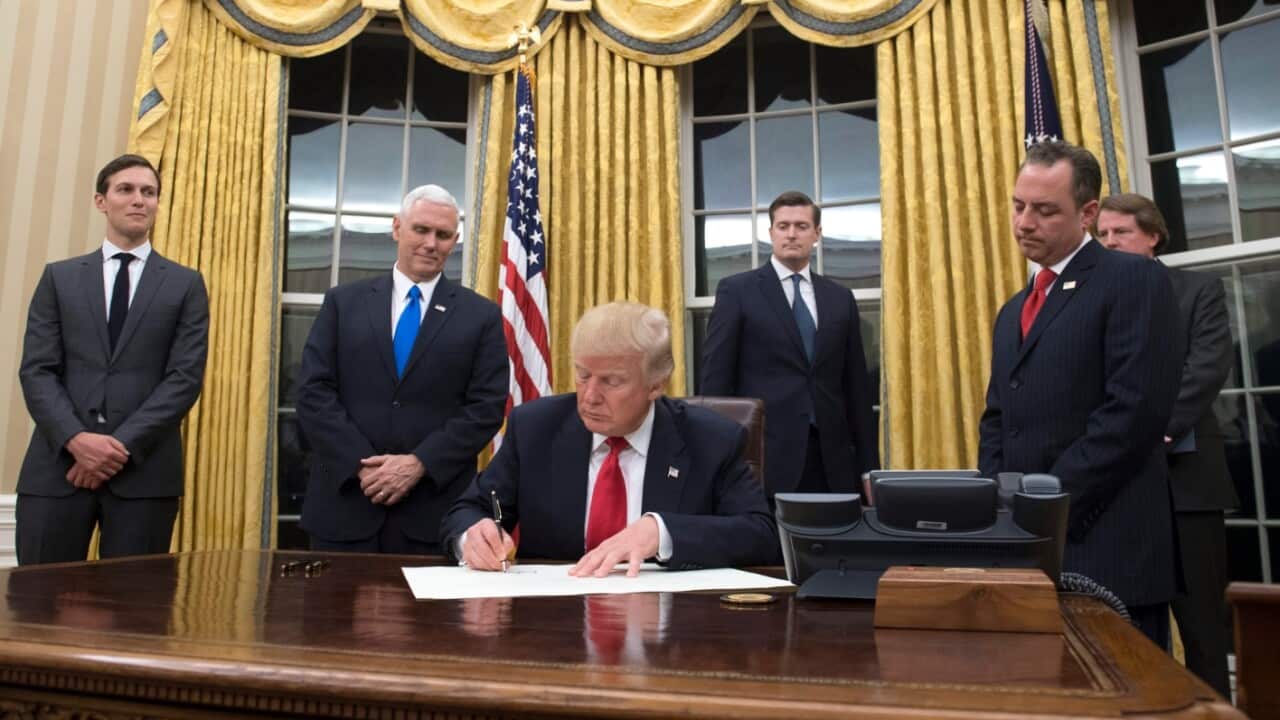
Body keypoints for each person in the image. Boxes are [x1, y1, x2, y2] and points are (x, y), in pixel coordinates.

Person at [977, 142, 1183, 648]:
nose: (1024, 222)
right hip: (1026, 552)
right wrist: (1000, 508)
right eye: (1019, 205)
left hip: (1108, 548)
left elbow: (1133, 414)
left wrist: (1045, 504)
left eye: (1045, 211)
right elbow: (998, 417)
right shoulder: (1014, 310)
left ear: (1088, 213)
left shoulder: (1133, 280)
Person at [440, 302, 778, 575]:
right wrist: (475, 534)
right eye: (582, 375)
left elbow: (760, 534)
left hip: (669, 625)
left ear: (656, 385)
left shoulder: (710, 440)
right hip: (554, 623)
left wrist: (662, 532)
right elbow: (478, 507)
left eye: (611, 382)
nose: (589, 396)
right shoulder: (535, 429)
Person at [17, 154, 209, 565]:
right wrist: (76, 440)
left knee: (135, 601)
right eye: (126, 189)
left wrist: (116, 449)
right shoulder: (59, 278)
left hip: (144, 476)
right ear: (101, 201)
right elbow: (37, 371)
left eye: (149, 192)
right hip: (57, 470)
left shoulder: (186, 284)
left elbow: (184, 379)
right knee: (39, 598)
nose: (139, 199)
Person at [295, 184, 508, 555]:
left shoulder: (481, 316)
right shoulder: (343, 303)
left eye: (443, 235)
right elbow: (314, 392)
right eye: (420, 230)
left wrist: (419, 464)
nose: (431, 243)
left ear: (455, 240)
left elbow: (485, 408)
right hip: (344, 507)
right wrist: (363, 467)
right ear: (397, 228)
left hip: (432, 515)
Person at [1096, 192, 1236, 696]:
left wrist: (1150, 432)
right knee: (1126, 632)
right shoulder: (1091, 300)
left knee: (1203, 629)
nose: (1110, 242)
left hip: (1188, 487)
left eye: (1122, 232)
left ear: (1153, 236)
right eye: (1102, 235)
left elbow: (1206, 369)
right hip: (1118, 492)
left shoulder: (1198, 290)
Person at [700, 191, 878, 499]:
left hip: (832, 463)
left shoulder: (840, 298)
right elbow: (716, 385)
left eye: (801, 226)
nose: (792, 234)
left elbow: (857, 391)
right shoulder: (737, 292)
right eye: (783, 226)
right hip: (763, 460)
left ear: (817, 234)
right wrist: (717, 463)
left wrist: (868, 468)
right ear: (771, 233)